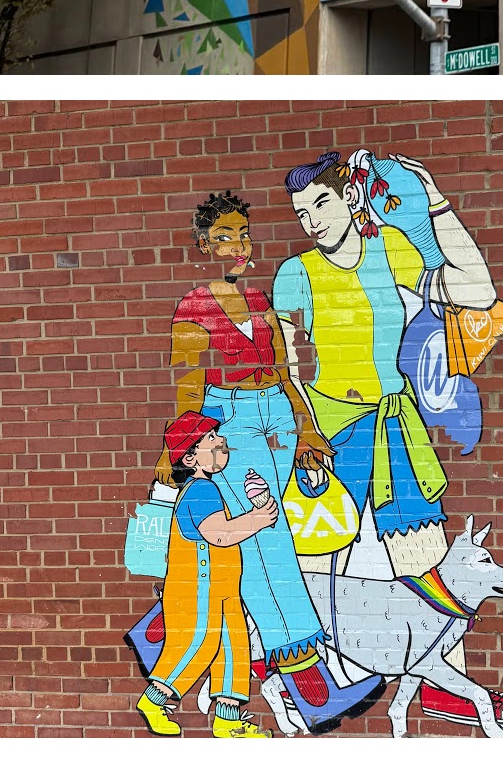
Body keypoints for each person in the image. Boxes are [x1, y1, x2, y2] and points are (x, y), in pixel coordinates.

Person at [273, 150, 503, 730]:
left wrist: (435, 202)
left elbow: (478, 292)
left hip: (395, 423)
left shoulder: (392, 251)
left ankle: (442, 686)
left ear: (348, 198)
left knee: (425, 556)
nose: (310, 220)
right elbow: (285, 366)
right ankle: (296, 678)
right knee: (307, 555)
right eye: (300, 212)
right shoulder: (296, 274)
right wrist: (305, 430)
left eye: (321, 204)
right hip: (329, 430)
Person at [126, 191, 382, 730]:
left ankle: (163, 642)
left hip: (279, 421)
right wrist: (179, 450)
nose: (239, 246)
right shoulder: (193, 306)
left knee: (261, 544)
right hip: (231, 422)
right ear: (202, 247)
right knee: (268, 542)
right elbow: (189, 384)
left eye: (243, 234)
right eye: (224, 237)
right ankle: (310, 687)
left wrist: (309, 428)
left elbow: (287, 373)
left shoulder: (263, 301)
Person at [135, 411, 280, 738]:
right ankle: (155, 699)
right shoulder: (201, 491)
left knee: (234, 651)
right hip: (198, 590)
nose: (221, 440)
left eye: (217, 435)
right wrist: (256, 519)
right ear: (190, 458)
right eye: (211, 438)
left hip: (222, 589)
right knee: (198, 644)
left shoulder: (209, 489)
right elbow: (217, 534)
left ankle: (229, 721)